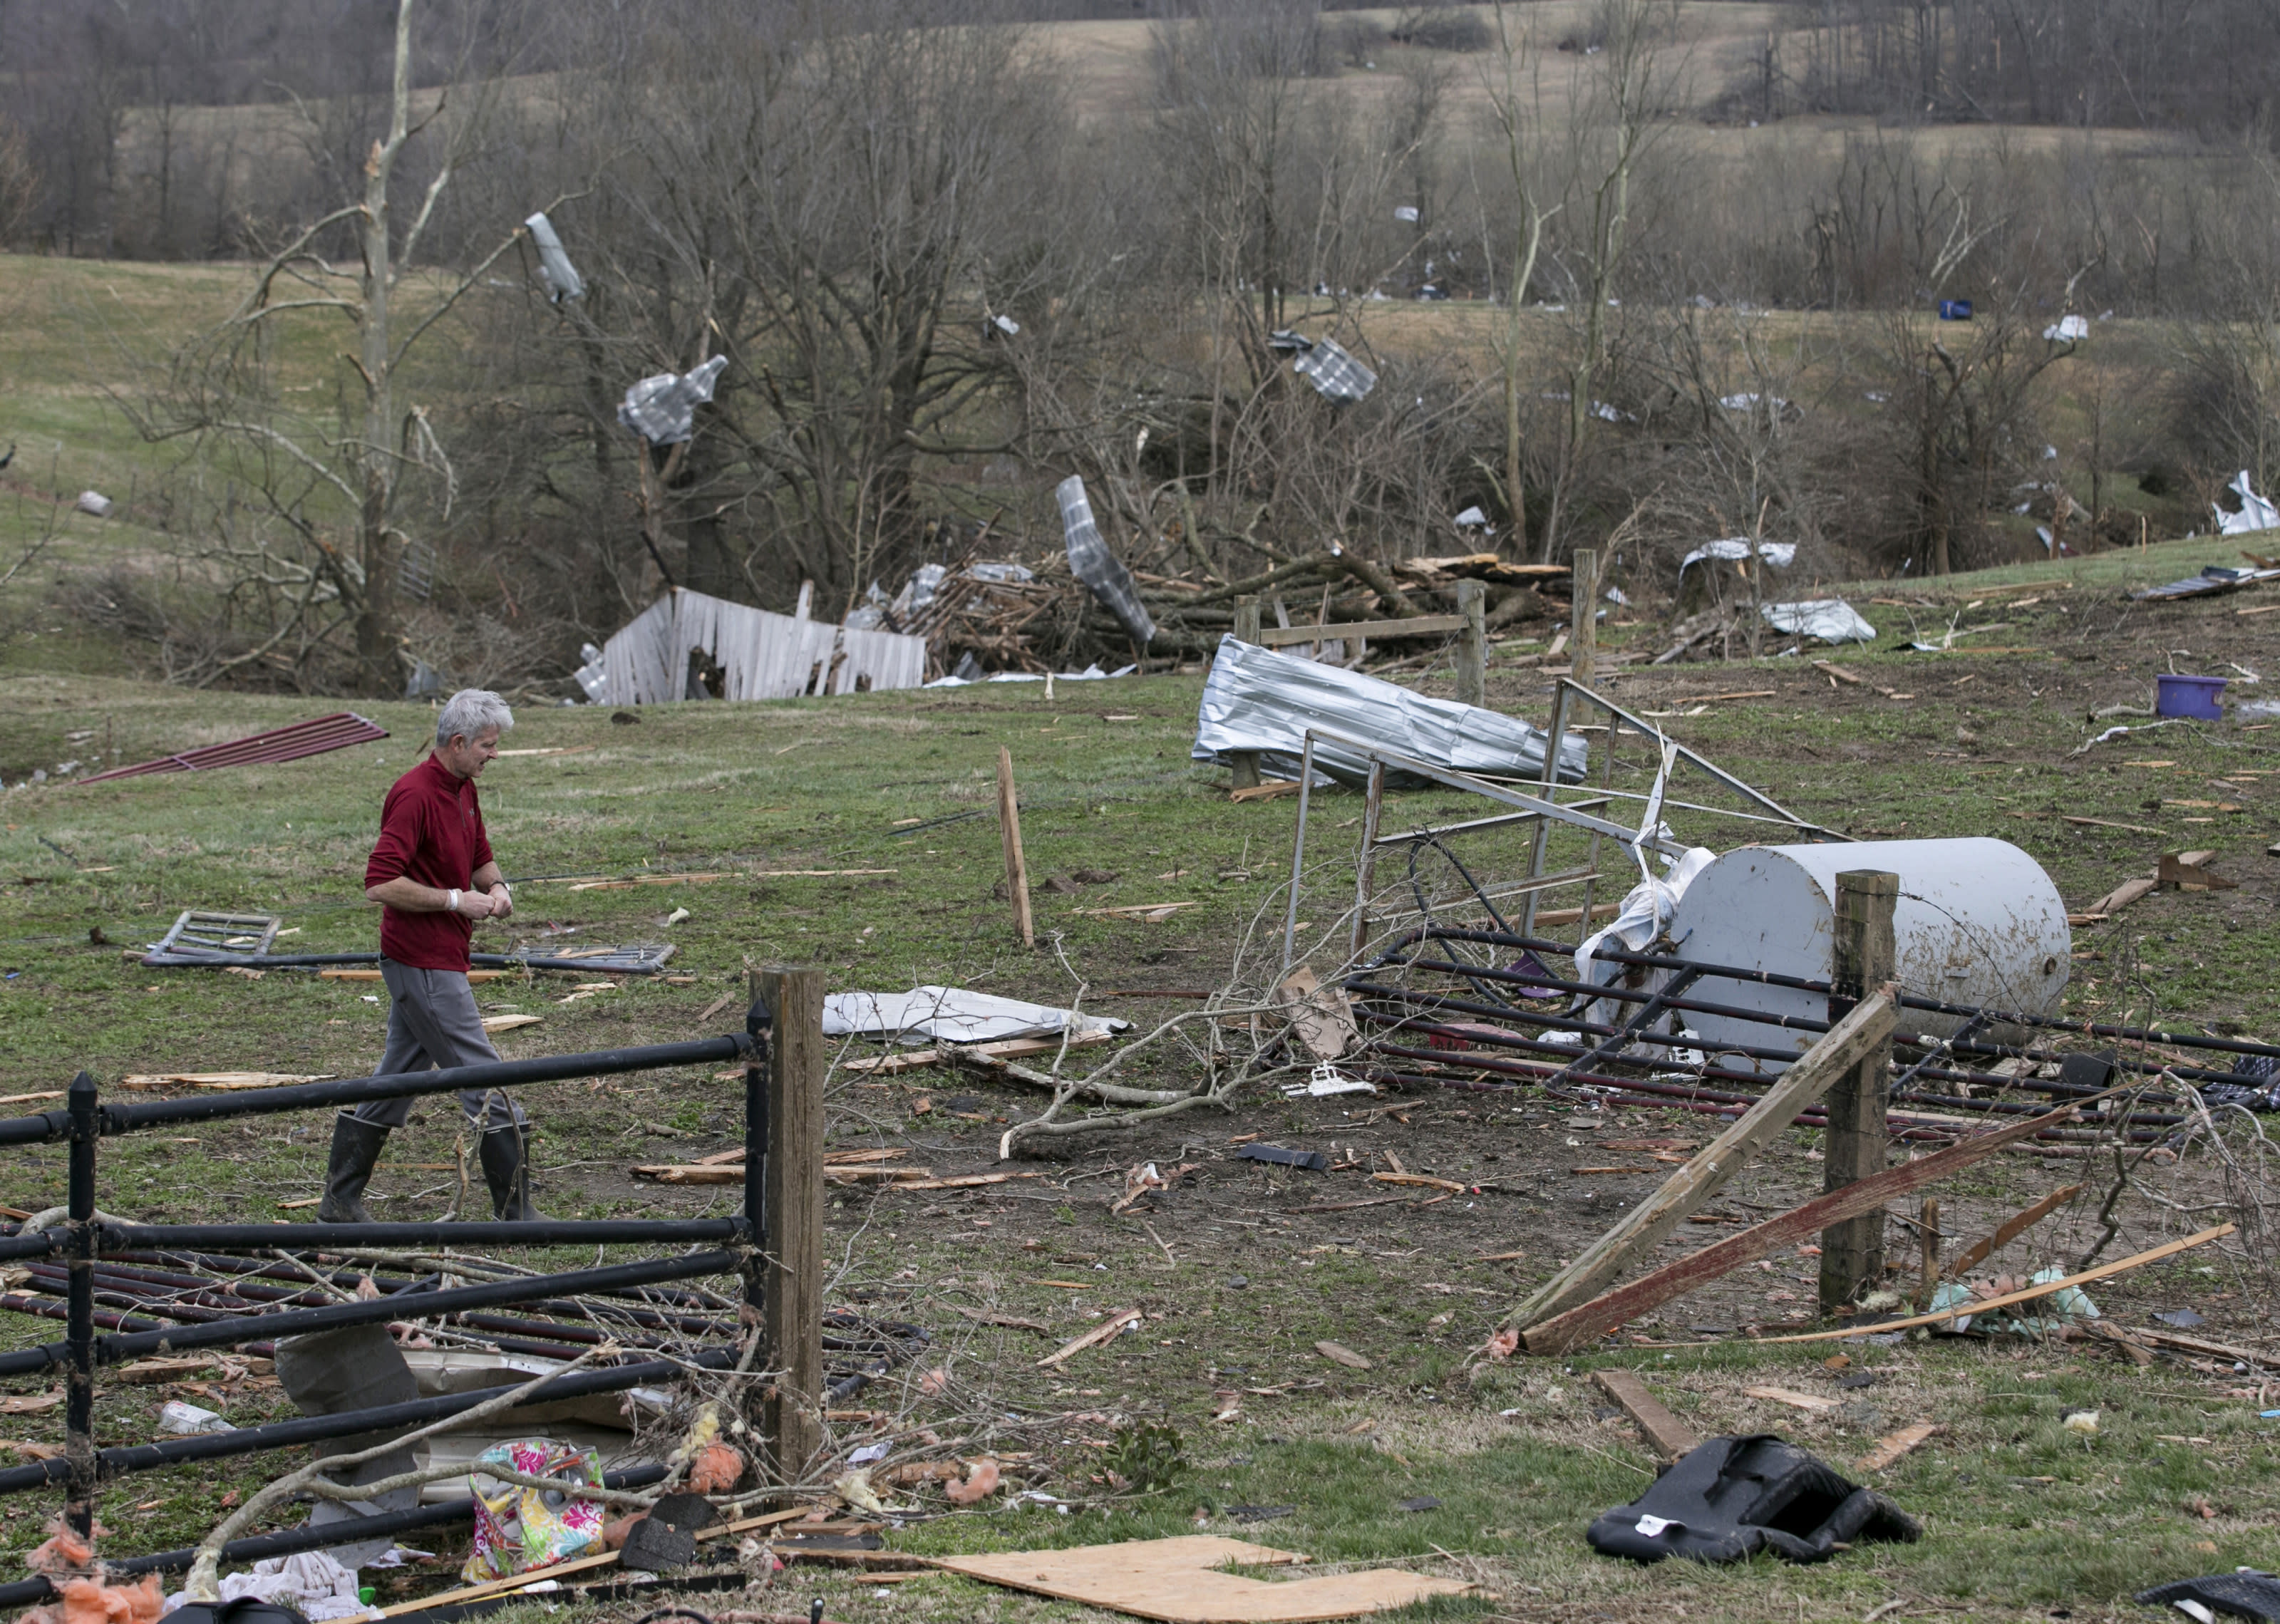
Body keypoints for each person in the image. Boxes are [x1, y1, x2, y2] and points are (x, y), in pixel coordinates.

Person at [319, 688, 542, 1224]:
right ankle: (516, 1212)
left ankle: (338, 1200)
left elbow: (480, 856)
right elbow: (379, 884)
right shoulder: (414, 795)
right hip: (420, 963)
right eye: (487, 745)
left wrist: (498, 887)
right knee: (483, 1078)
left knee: (398, 1077)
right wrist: (453, 899)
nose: (495, 754)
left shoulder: (464, 788)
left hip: (441, 957)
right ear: (458, 742)